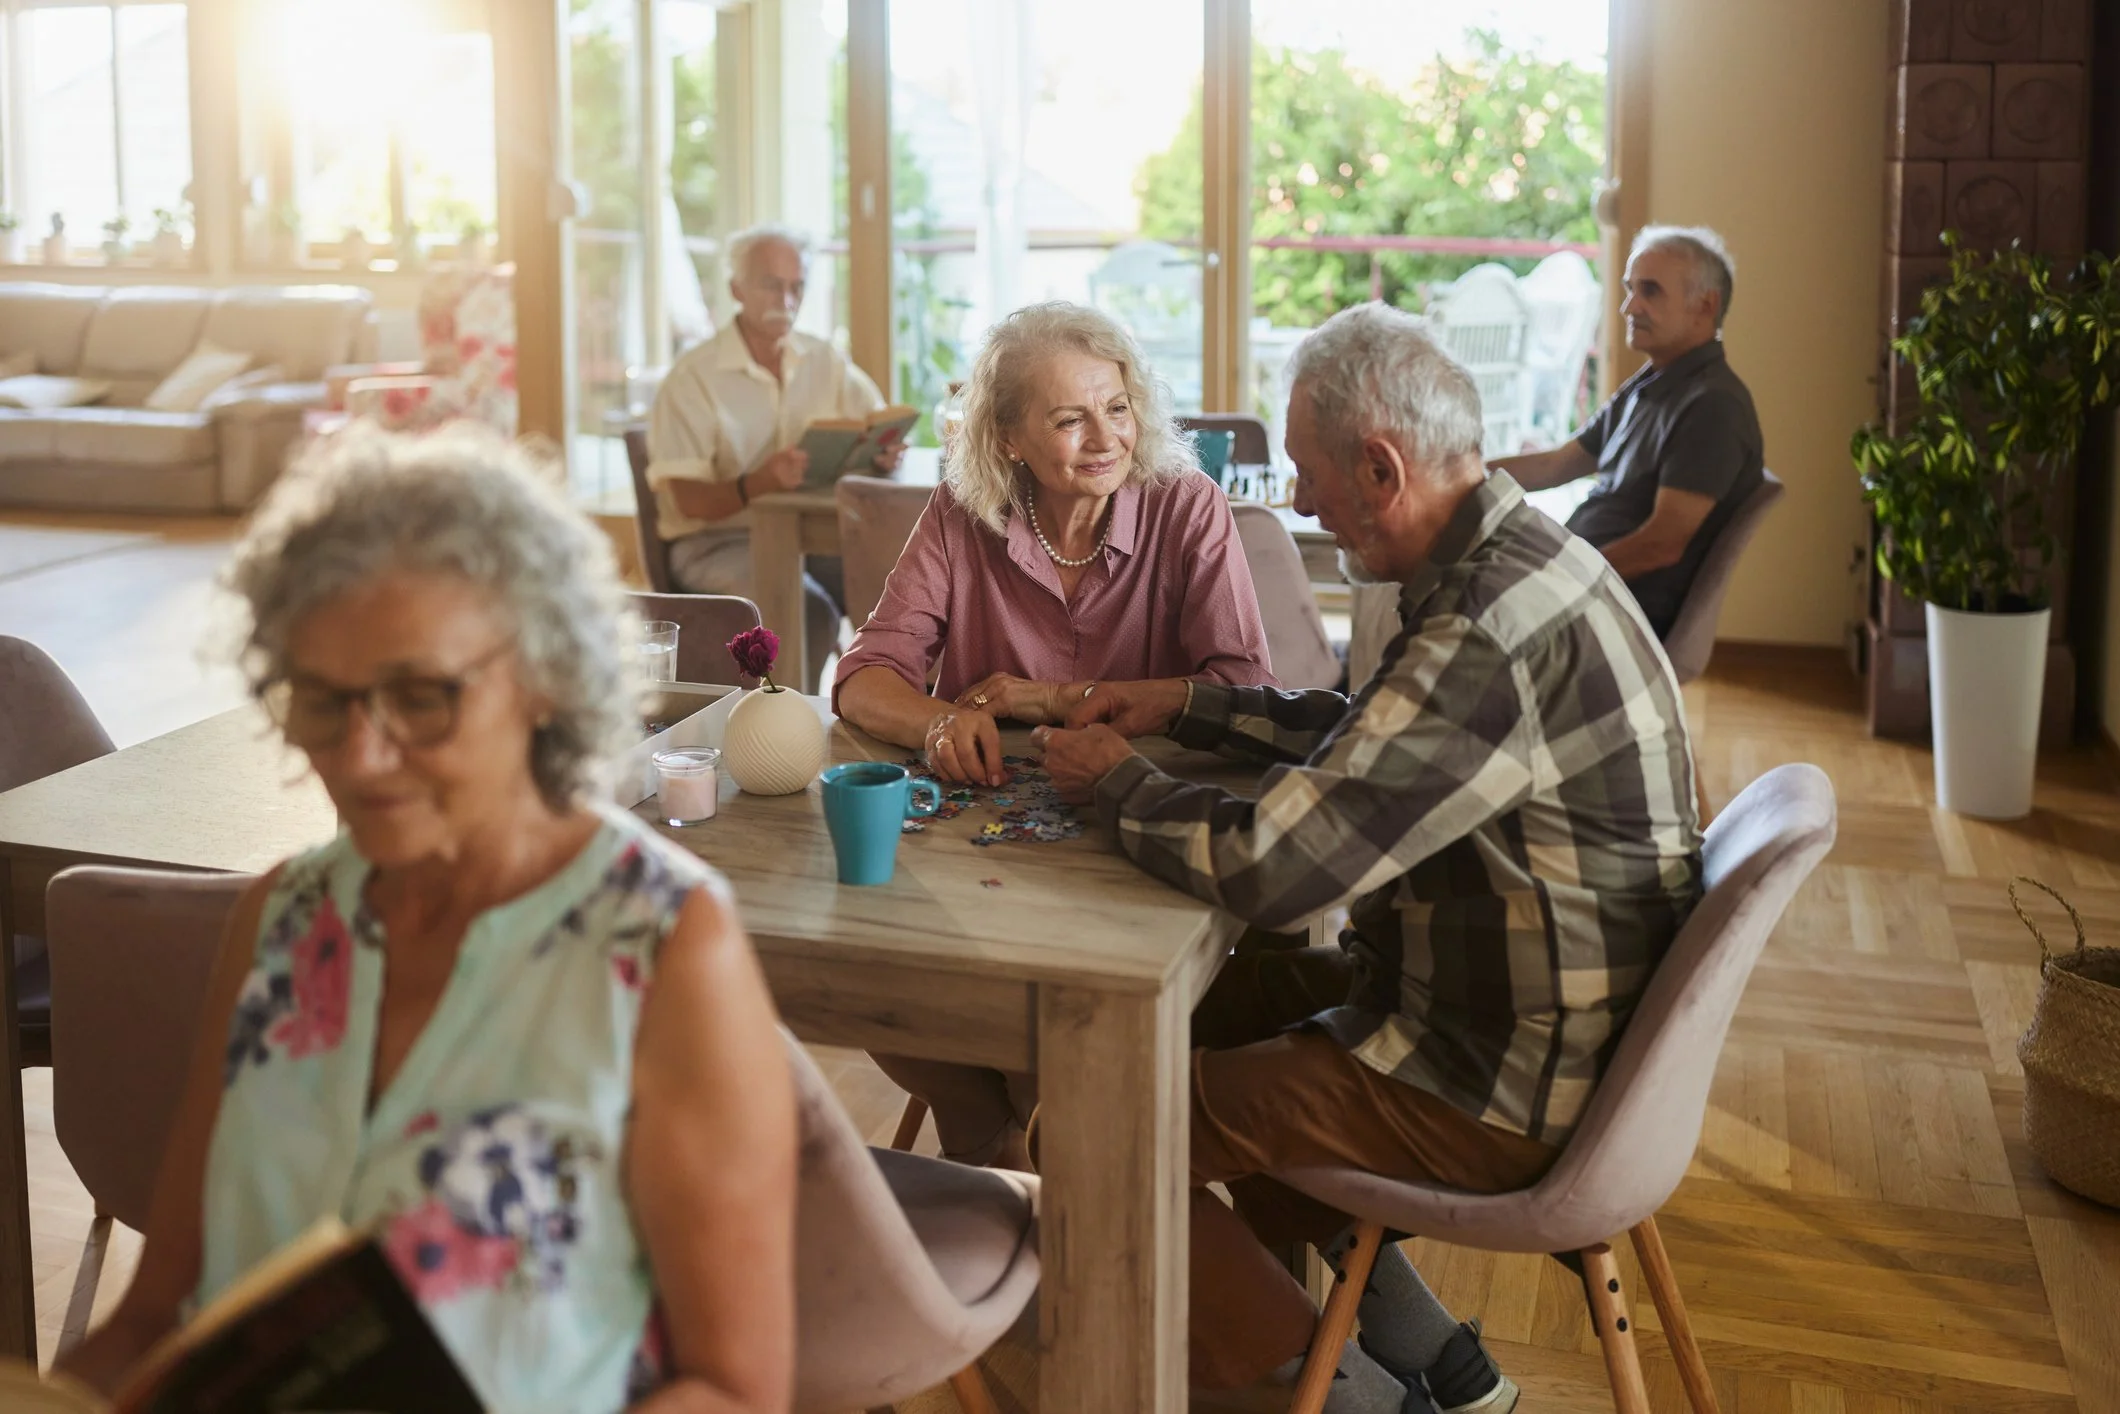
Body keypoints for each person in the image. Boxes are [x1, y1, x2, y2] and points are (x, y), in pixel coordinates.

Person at [1035, 304, 1702, 1414]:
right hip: (1547, 1022)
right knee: (1218, 1004)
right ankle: (1441, 1368)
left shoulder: (1479, 631)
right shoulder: (1525, 558)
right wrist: (1192, 705)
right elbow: (1376, 737)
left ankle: (1354, 1405)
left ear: (1381, 468)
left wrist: (1116, 779)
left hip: (1497, 1077)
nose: (1297, 501)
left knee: (1090, 1127)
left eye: (1308, 474)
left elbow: (1273, 870)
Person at [60, 427, 797, 1414]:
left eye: (420, 697)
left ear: (543, 679)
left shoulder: (662, 943)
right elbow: (158, 1323)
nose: (361, 756)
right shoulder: (280, 920)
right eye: (320, 701)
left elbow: (733, 1389)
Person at [835, 300, 1275, 1169]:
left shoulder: (1187, 508)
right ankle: (996, 1137)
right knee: (873, 980)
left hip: (1138, 839)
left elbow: (1243, 695)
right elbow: (864, 676)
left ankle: (1036, 1159)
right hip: (988, 851)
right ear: (1008, 438)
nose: (1104, 436)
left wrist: (1052, 699)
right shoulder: (962, 515)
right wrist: (941, 723)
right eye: (1069, 418)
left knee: (1059, 1058)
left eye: (1116, 407)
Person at [646, 223, 902, 688]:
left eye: (796, 286)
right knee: (808, 611)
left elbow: (879, 424)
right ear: (736, 289)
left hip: (808, 536)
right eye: (771, 284)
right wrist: (758, 482)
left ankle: (895, 715)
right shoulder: (693, 377)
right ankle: (784, 733)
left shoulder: (825, 361)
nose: (786, 298)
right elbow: (689, 503)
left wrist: (882, 454)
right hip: (716, 543)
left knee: (897, 584)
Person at [1491, 224, 1763, 637]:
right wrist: (1458, 475)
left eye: (1650, 291)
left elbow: (1662, 544)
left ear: (1705, 306)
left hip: (1616, 614)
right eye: (1629, 289)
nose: (1629, 307)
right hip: (1586, 588)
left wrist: (1555, 580)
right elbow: (1555, 465)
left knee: (1456, 596)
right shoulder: (1654, 381)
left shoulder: (1712, 407)